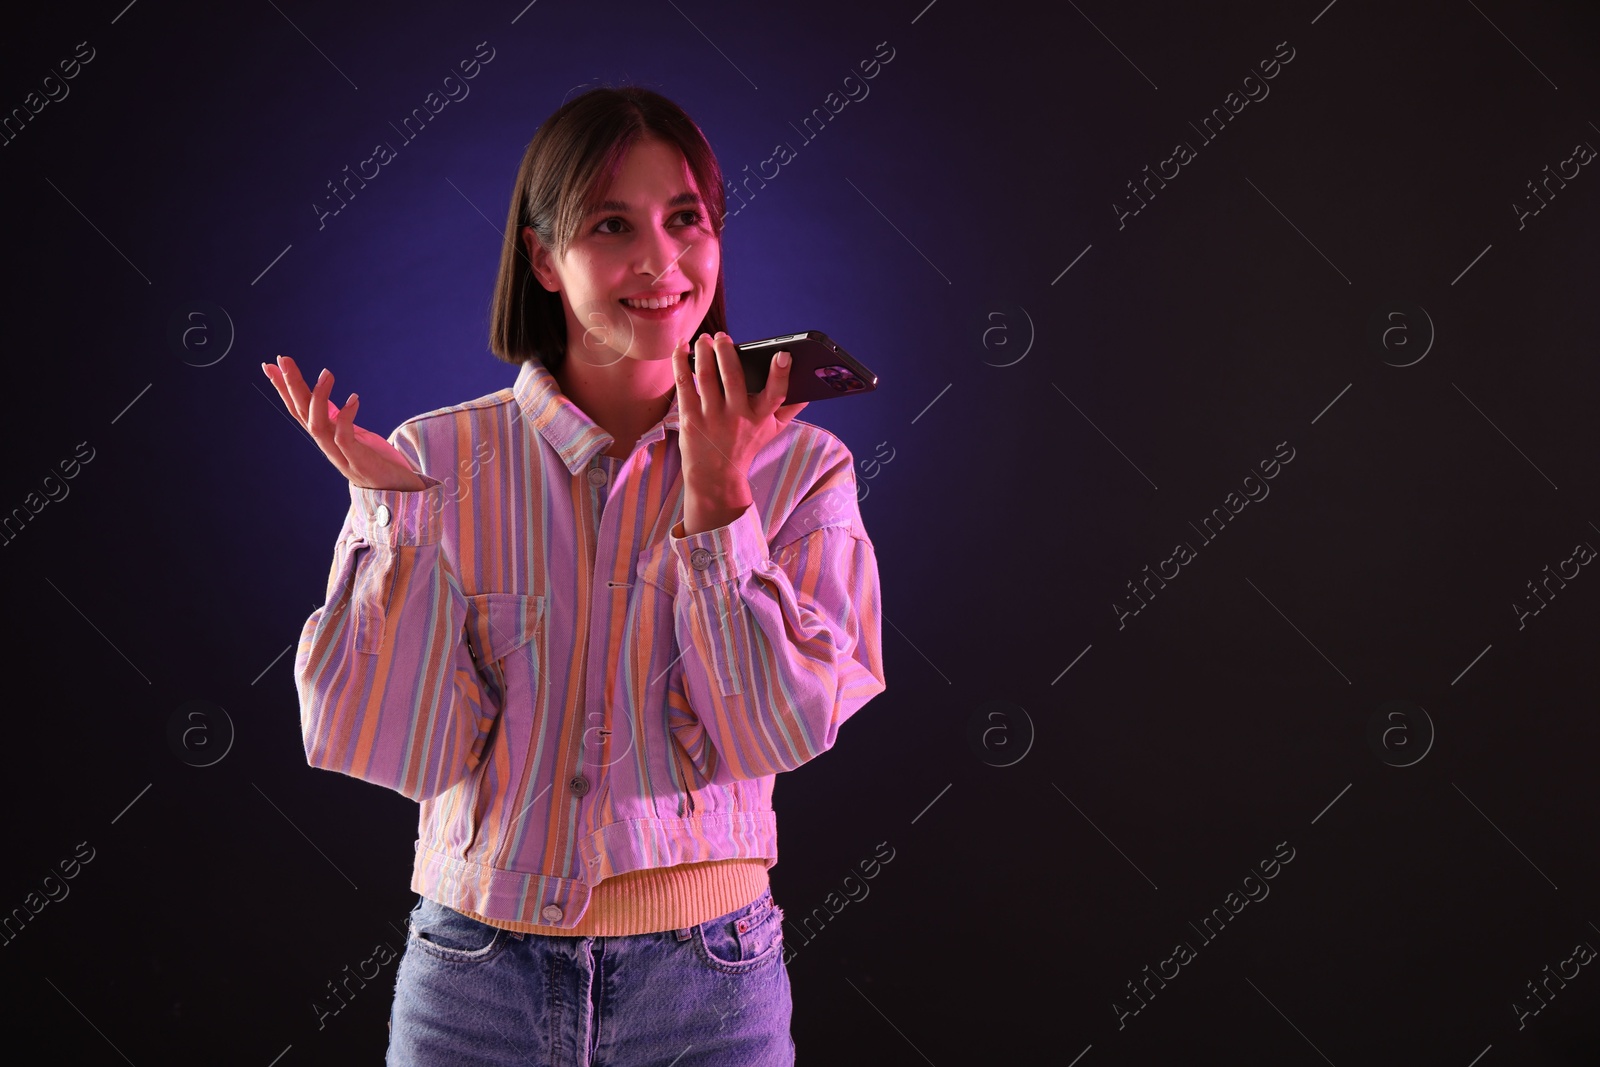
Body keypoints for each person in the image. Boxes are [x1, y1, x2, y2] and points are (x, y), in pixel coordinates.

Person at [265, 84, 886, 1066]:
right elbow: (396, 746)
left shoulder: (802, 470)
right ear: (543, 258)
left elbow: (776, 723)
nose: (660, 260)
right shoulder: (435, 460)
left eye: (685, 219)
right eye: (610, 224)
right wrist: (396, 525)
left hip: (710, 986)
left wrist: (719, 496)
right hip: (474, 981)